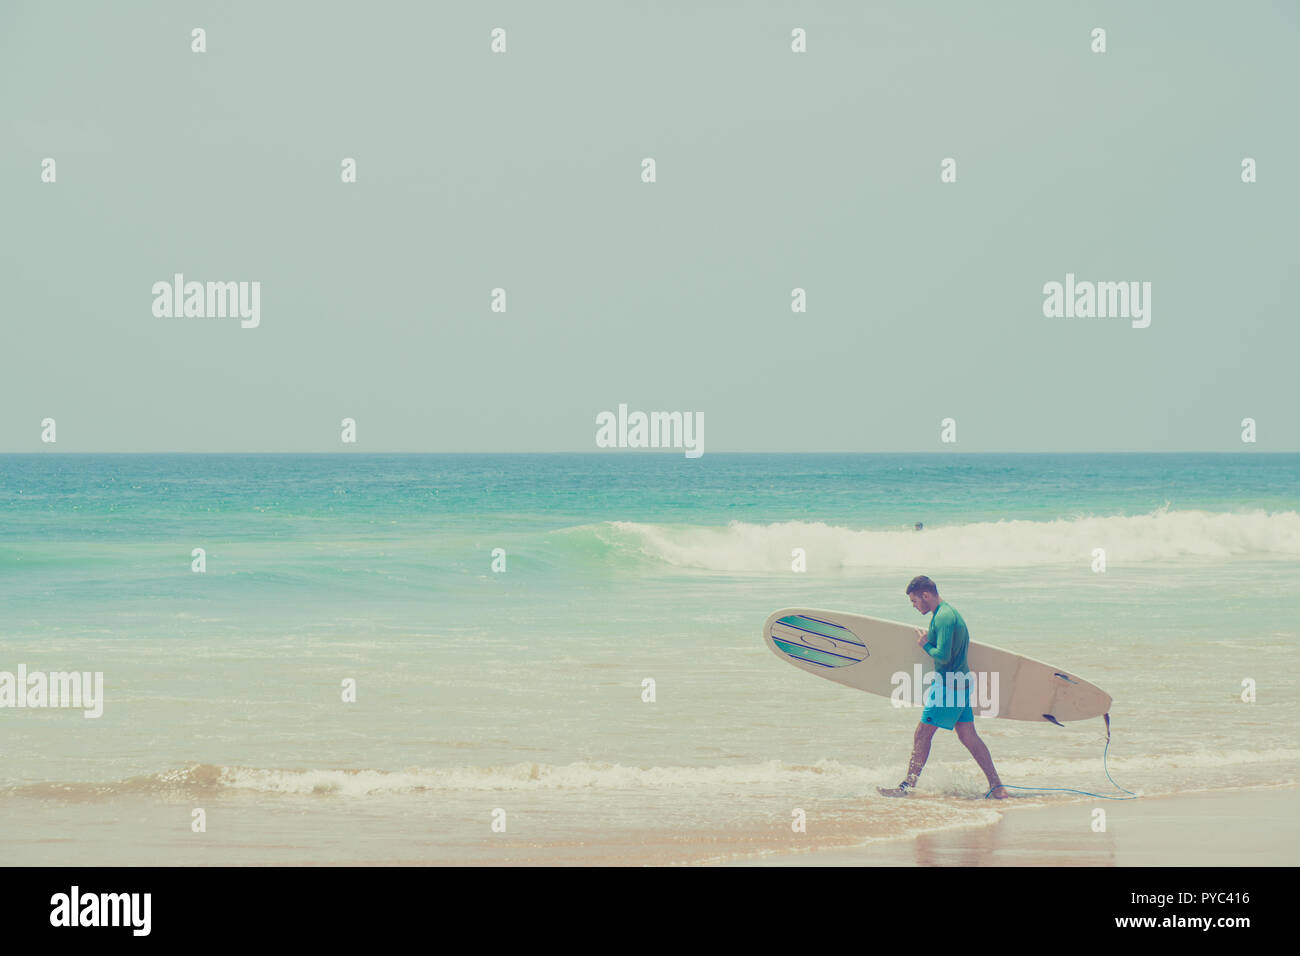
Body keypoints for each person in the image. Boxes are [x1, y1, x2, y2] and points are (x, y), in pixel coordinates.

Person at [885, 575, 1008, 799]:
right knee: (968, 735)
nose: (913, 606)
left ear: (925, 595)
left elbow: (943, 656)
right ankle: (997, 786)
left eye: (914, 601)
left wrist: (925, 644)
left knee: (922, 733)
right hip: (958, 683)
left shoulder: (944, 617)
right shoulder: (945, 614)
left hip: (950, 686)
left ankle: (907, 787)